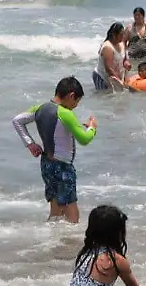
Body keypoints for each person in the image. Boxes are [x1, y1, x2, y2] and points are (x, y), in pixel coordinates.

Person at [11, 77, 98, 223]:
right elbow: (84, 139)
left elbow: (17, 120)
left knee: (56, 211)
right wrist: (92, 128)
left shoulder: (40, 108)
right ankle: (71, 238)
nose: (75, 106)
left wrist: (30, 144)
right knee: (72, 214)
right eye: (76, 102)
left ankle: (50, 236)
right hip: (63, 167)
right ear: (71, 96)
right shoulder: (65, 113)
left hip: (46, 164)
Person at [94, 22, 128, 91]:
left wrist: (126, 63)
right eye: (121, 34)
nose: (123, 36)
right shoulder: (108, 47)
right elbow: (109, 69)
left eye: (123, 34)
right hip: (102, 77)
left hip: (115, 76)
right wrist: (119, 80)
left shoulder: (122, 43)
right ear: (114, 35)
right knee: (105, 95)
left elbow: (124, 59)